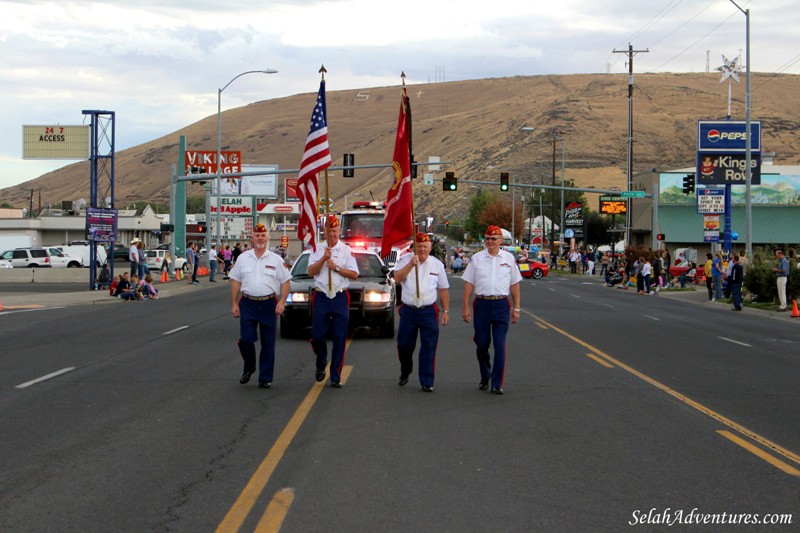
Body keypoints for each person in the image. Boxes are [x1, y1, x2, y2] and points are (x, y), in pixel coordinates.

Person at [462, 225, 522, 395]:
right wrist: (465, 306)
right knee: (481, 345)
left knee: (500, 344)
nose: (490, 242)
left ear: (501, 241)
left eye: (494, 239)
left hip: (501, 304)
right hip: (482, 304)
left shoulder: (509, 259)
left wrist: (516, 308)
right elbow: (468, 283)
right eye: (487, 238)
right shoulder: (477, 258)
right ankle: (485, 374)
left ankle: (497, 383)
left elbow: (515, 284)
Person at [229, 223, 291, 388]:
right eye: (257, 235)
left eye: (263, 236)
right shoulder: (243, 258)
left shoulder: (276, 260)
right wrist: (234, 303)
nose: (260, 238)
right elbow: (235, 281)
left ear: (268, 238)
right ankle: (249, 367)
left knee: (268, 343)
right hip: (248, 303)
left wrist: (282, 301)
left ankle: (265, 378)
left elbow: (285, 282)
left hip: (269, 304)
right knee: (246, 340)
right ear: (252, 238)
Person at [306, 215, 360, 388]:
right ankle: (321, 361)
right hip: (321, 296)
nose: (333, 235)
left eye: (336, 231)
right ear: (325, 232)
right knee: (318, 335)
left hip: (339, 296)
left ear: (339, 231)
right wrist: (323, 259)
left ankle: (335, 375)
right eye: (330, 231)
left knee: (339, 336)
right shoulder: (317, 248)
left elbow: (354, 274)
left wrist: (336, 267)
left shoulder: (346, 250)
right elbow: (310, 272)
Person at [393, 232, 450, 392]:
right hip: (409, 310)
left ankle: (427, 380)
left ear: (430, 247)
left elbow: (444, 289)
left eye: (425, 247)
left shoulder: (437, 265)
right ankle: (406, 369)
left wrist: (446, 310)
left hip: (428, 311)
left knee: (429, 346)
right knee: (404, 345)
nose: (423, 250)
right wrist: (411, 264)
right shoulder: (405, 260)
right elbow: (397, 278)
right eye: (420, 247)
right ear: (414, 248)